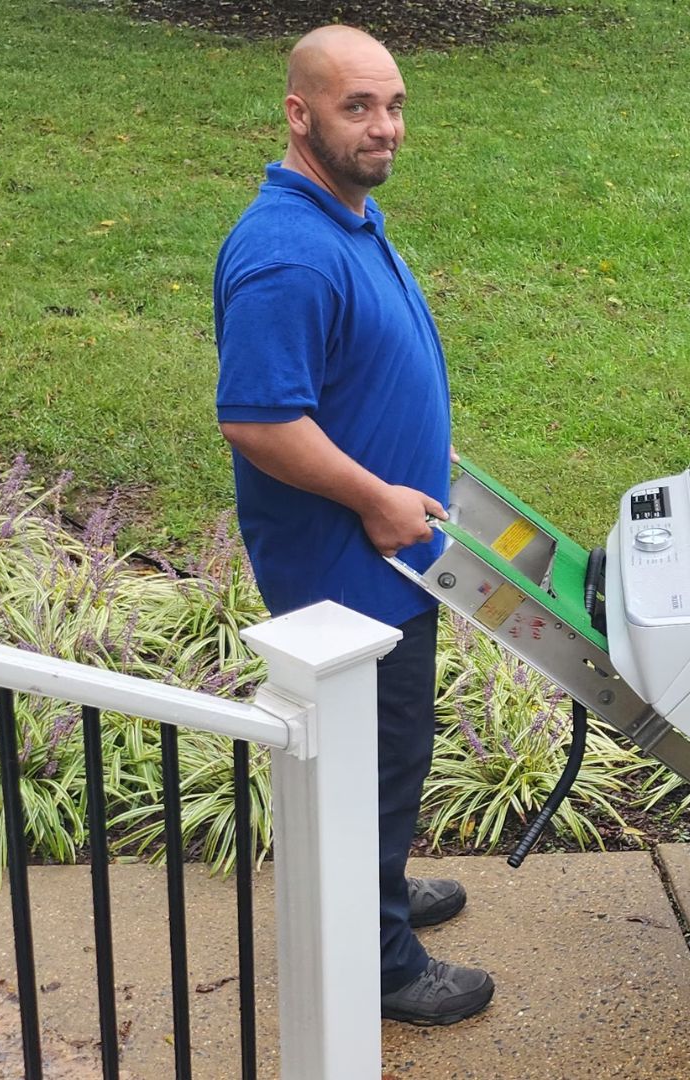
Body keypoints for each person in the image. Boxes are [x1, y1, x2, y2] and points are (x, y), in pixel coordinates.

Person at [213, 24, 494, 1027]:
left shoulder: (344, 218)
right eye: (357, 108)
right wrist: (379, 495)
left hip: (385, 555)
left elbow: (349, 378)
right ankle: (377, 960)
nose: (386, 128)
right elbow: (257, 416)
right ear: (299, 114)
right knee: (378, 751)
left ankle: (373, 886)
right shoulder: (288, 253)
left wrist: (417, 458)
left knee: (387, 751)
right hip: (347, 568)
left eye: (396, 104)